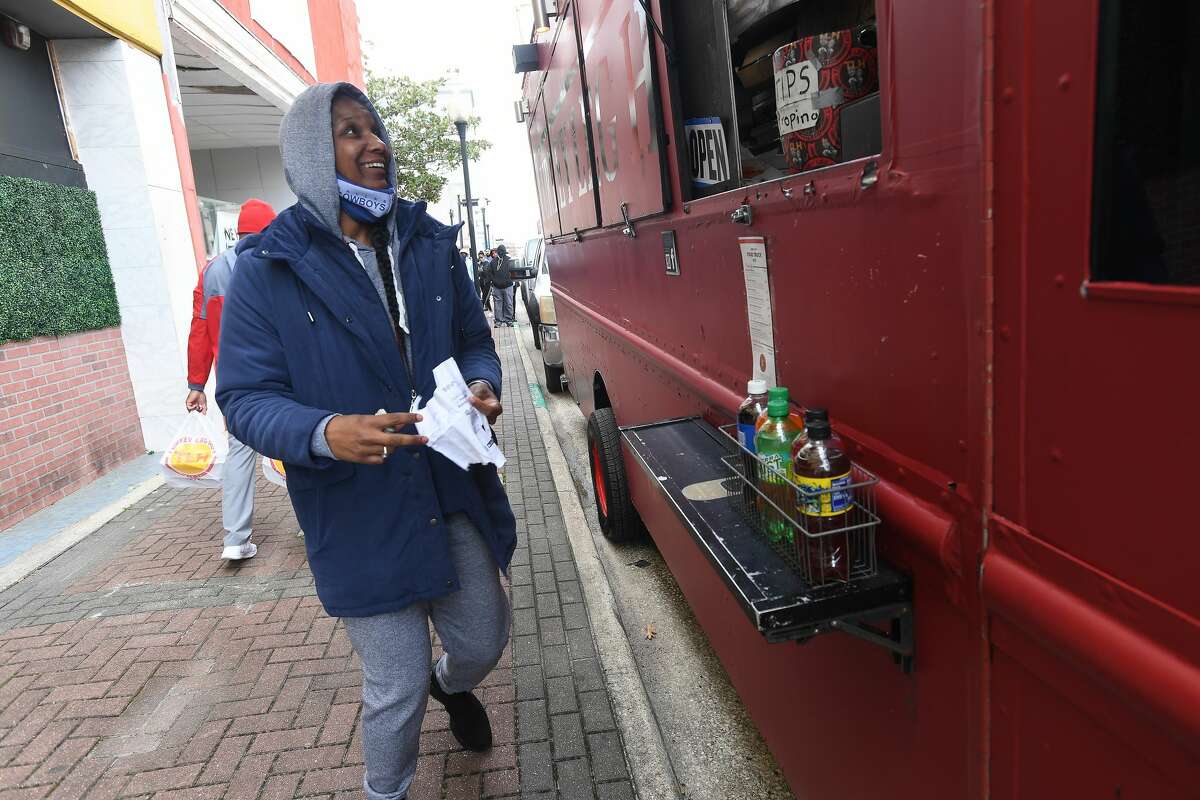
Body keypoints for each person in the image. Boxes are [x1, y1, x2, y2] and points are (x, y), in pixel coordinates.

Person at [216, 83, 515, 800]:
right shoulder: (268, 269)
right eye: (351, 132)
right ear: (315, 157)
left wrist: (479, 384)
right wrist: (322, 432)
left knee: (483, 637)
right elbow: (244, 399)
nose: (375, 142)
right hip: (356, 510)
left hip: (448, 485)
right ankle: (388, 791)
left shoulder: (426, 242)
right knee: (395, 683)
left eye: (376, 129)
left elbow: (476, 341)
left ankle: (456, 687)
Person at [185, 198, 276, 561]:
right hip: (280, 376)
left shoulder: (212, 272)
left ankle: (236, 540)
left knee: (240, 453)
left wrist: (196, 383)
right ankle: (311, 524)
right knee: (294, 446)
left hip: (235, 384)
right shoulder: (278, 261)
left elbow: (200, 329)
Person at [489, 244, 515, 327]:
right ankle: (499, 321)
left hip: (507, 286)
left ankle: (508, 320)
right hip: (497, 287)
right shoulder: (493, 262)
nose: (501, 253)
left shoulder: (509, 260)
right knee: (498, 304)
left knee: (508, 304)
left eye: (502, 252)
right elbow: (490, 273)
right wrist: (494, 281)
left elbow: (513, 273)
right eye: (500, 252)